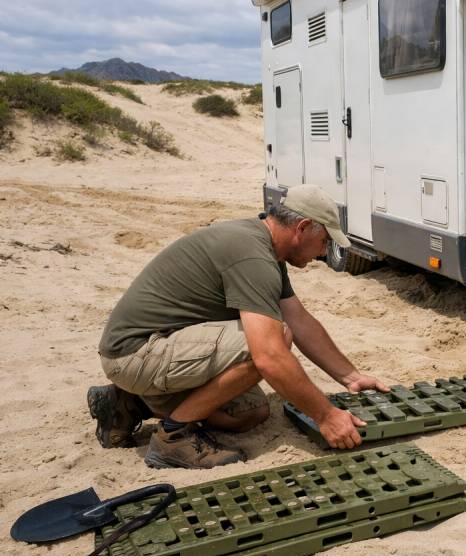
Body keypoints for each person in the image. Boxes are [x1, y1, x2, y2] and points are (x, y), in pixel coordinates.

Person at [89, 184, 389, 469]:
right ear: (302, 227)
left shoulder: (265, 246)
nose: (323, 252)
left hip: (157, 347)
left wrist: (350, 377)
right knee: (272, 341)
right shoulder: (253, 255)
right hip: (134, 352)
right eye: (324, 241)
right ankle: (174, 436)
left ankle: (128, 404)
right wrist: (326, 416)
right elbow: (269, 356)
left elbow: (300, 320)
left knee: (249, 414)